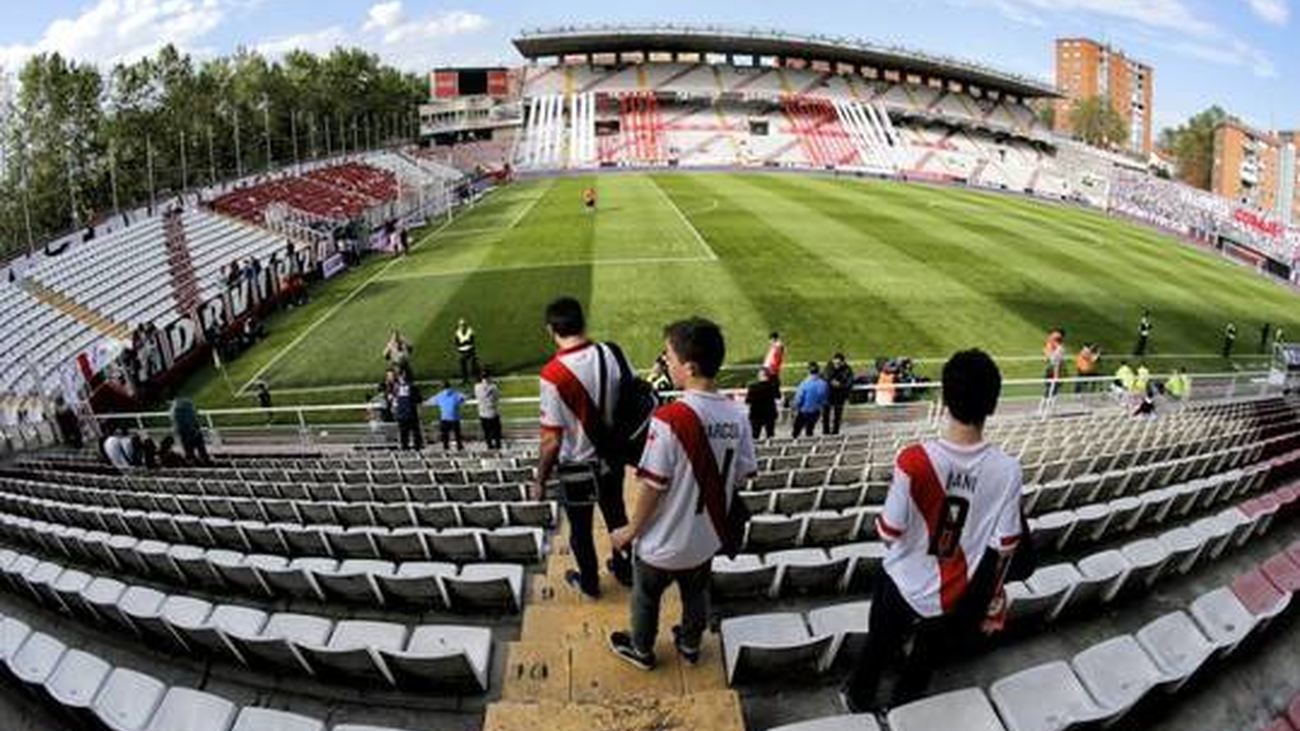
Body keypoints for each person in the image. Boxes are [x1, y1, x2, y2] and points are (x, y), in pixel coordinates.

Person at [842, 349, 1024, 713]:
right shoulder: (1008, 470)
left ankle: (859, 700)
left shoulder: (914, 460)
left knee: (879, 645)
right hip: (956, 590)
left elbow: (888, 531)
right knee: (924, 660)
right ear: (992, 406)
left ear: (943, 399)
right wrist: (994, 600)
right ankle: (906, 710)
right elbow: (1005, 546)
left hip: (902, 580)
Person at [607, 317, 757, 670]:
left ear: (688, 368)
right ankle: (690, 645)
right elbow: (743, 475)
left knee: (645, 598)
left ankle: (642, 650)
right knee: (695, 594)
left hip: (662, 542)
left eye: (669, 357)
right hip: (706, 538)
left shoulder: (668, 418)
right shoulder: (738, 414)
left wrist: (629, 531)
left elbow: (652, 487)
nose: (666, 363)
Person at [530, 297, 633, 597]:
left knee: (581, 530)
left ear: (551, 330)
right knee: (617, 518)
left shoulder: (552, 374)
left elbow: (551, 440)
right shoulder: (611, 353)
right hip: (612, 457)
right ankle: (625, 570)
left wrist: (539, 480)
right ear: (582, 322)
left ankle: (590, 583)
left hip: (577, 467)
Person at [792, 363, 829, 438]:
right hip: (815, 411)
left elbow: (799, 398)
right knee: (809, 431)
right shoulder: (823, 384)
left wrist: (794, 408)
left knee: (796, 432)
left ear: (808, 371)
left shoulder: (804, 383)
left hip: (803, 411)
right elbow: (824, 399)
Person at [170, 398, 210, 465]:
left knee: (189, 448)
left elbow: (175, 423)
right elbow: (192, 419)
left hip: (185, 432)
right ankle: (203, 459)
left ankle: (193, 460)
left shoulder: (175, 410)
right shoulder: (186, 408)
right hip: (191, 431)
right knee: (199, 447)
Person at [428, 381, 466, 451]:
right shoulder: (455, 394)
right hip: (454, 417)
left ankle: (446, 447)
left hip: (444, 417)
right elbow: (463, 398)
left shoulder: (439, 395)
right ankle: (459, 446)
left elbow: (430, 401)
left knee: (445, 434)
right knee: (457, 434)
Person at [823, 353, 855, 435]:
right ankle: (825, 432)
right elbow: (825, 376)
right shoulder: (829, 366)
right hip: (828, 395)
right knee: (825, 415)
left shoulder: (848, 370)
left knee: (837, 416)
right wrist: (831, 381)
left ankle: (835, 432)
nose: (836, 365)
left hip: (839, 396)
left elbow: (849, 383)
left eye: (838, 363)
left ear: (843, 362)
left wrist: (840, 385)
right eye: (835, 363)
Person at [745, 367, 780, 440]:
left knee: (754, 436)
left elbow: (748, 401)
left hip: (756, 415)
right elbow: (778, 396)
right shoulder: (772, 386)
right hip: (769, 414)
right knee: (770, 435)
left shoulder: (753, 387)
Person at [392, 372, 424, 450]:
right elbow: (394, 401)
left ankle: (414, 447)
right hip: (405, 414)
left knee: (412, 432)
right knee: (406, 433)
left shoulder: (410, 388)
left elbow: (419, 399)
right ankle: (408, 447)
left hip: (408, 413)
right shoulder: (397, 389)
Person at [475, 370, 503, 450]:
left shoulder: (477, 387)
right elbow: (497, 397)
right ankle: (498, 446)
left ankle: (490, 446)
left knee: (487, 432)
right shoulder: (494, 387)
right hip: (493, 413)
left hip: (483, 413)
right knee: (497, 432)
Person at [455, 318, 478, 384]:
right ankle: (465, 380)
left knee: (473, 366)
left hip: (470, 350)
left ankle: (475, 378)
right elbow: (457, 342)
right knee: (463, 367)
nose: (462, 326)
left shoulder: (470, 331)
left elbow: (471, 341)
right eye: (461, 325)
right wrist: (465, 342)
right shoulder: (458, 332)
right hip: (462, 352)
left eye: (463, 325)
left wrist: (464, 343)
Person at [1043, 329, 1065, 399]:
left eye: (1054, 339)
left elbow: (1056, 363)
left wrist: (1056, 376)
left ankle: (1049, 406)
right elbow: (1047, 359)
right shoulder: (1050, 347)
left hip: (1056, 371)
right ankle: (1045, 406)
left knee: (1052, 391)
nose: (1051, 340)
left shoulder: (1059, 349)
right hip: (1050, 370)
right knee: (1048, 391)